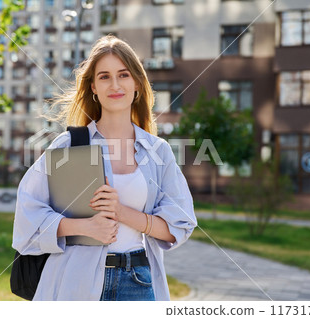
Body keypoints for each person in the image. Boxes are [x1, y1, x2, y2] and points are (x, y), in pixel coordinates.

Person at [12, 35, 197, 301]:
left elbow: (178, 226)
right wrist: (84, 227)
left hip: (138, 282)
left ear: (137, 84)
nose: (114, 85)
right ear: (93, 88)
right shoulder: (68, 146)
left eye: (123, 75)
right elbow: (27, 216)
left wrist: (120, 211)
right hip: (75, 283)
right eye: (104, 77)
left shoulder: (158, 152)